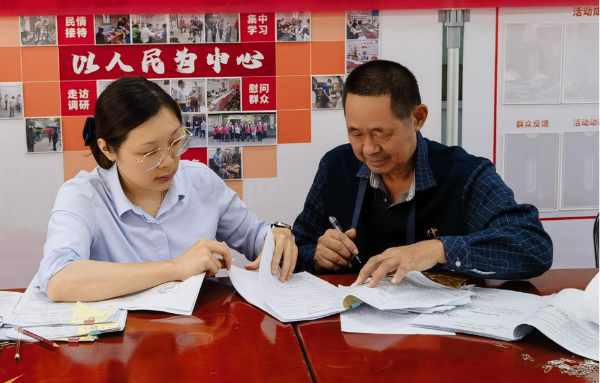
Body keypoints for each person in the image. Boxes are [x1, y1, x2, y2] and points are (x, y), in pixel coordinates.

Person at [293, 60, 553, 287]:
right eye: (356, 133)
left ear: (417, 118)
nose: (369, 149)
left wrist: (437, 249)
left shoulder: (464, 175)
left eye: (381, 133)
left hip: (443, 325)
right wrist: (317, 256)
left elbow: (533, 247)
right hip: (353, 317)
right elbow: (297, 247)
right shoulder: (336, 166)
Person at [37, 77, 297, 303]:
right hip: (121, 341)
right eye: (149, 152)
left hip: (198, 332)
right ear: (108, 149)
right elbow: (59, 279)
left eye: (175, 142)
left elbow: (255, 237)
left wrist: (277, 237)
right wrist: (175, 268)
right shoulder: (83, 196)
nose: (169, 162)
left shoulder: (201, 182)